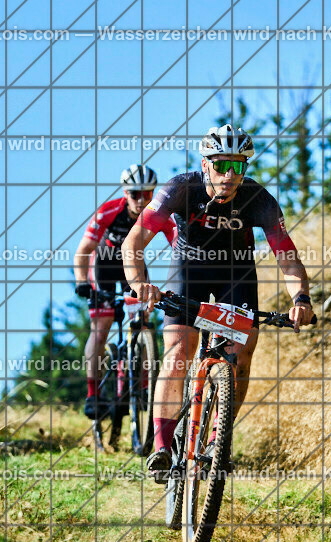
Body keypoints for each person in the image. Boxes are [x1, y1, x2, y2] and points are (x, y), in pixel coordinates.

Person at [121, 124, 314, 482]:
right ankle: (162, 447)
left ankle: (216, 443)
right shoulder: (181, 188)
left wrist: (300, 298)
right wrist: (140, 284)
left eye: (238, 166)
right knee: (178, 352)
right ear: (206, 163)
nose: (229, 174)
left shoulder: (259, 198)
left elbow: (287, 256)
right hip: (188, 269)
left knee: (242, 355)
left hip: (235, 275)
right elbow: (133, 243)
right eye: (222, 165)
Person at [73, 164, 168, 419]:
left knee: (144, 320)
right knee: (101, 327)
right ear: (125, 193)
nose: (141, 200)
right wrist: (83, 282)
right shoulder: (108, 211)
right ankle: (93, 393)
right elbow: (83, 251)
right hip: (104, 266)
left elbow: (178, 240)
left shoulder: (158, 213)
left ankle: (144, 385)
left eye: (147, 194)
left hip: (132, 267)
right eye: (135, 194)